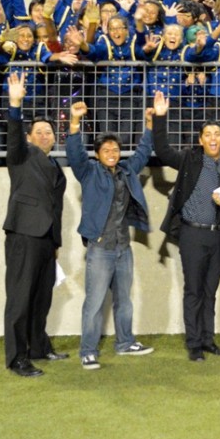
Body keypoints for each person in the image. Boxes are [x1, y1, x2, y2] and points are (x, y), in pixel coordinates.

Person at [67, 101, 156, 370]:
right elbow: (74, 154)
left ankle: (125, 342)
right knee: (94, 304)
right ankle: (88, 351)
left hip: (123, 248)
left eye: (115, 149)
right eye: (106, 150)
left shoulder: (127, 171)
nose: (112, 153)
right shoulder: (89, 172)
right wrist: (74, 122)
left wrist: (150, 124)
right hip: (100, 248)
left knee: (124, 300)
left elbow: (143, 151)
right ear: (97, 154)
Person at [152, 91, 220, 362]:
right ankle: (193, 344)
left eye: (217, 134)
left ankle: (207, 340)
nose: (213, 138)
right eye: (208, 134)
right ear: (201, 140)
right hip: (192, 234)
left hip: (219, 236)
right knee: (193, 290)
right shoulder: (190, 159)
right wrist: (160, 117)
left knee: (209, 291)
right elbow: (164, 151)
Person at [1, 72, 68, 377]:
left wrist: (56, 243)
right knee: (20, 298)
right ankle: (17, 358)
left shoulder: (55, 165)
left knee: (42, 297)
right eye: (38, 132)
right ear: (29, 137)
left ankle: (39, 347)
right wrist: (16, 104)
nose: (44, 135)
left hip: (46, 239)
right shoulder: (21, 156)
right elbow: (13, 136)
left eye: (49, 132)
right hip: (24, 234)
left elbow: (56, 207)